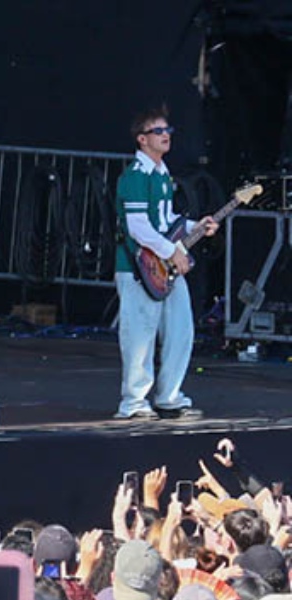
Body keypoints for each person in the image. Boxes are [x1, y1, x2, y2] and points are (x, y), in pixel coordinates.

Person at [114, 104, 218, 420]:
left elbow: (166, 219)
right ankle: (133, 401)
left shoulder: (161, 175)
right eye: (158, 131)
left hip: (165, 266)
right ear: (142, 139)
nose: (165, 135)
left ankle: (169, 396)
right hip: (138, 266)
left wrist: (195, 226)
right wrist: (170, 251)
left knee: (180, 329)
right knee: (140, 335)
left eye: (167, 130)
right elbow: (138, 227)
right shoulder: (135, 176)